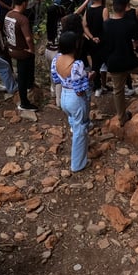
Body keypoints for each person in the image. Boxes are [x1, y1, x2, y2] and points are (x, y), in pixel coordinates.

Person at [51, 31, 90, 172]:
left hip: (64, 96)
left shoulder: (56, 59)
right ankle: (77, 164)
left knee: (73, 120)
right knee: (81, 129)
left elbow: (55, 79)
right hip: (75, 98)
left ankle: (80, 148)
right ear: (75, 46)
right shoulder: (77, 64)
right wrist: (89, 77)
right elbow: (80, 89)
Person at [102, 0, 138, 126]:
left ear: (113, 8)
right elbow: (137, 43)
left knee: (118, 90)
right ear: (126, 8)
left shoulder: (106, 24)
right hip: (130, 60)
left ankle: (121, 117)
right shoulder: (130, 24)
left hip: (114, 62)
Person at [5, 0, 38, 111]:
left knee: (21, 70)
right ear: (24, 3)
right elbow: (28, 38)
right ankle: (24, 102)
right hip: (22, 51)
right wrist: (31, 49)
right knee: (24, 73)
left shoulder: (8, 14)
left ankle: (28, 86)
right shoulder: (22, 19)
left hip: (11, 48)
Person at [81, 0, 109, 97]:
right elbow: (106, 25)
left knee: (95, 65)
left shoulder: (88, 10)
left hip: (92, 42)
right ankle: (123, 84)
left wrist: (92, 37)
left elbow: (84, 26)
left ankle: (97, 87)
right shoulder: (104, 9)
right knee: (107, 62)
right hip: (103, 41)